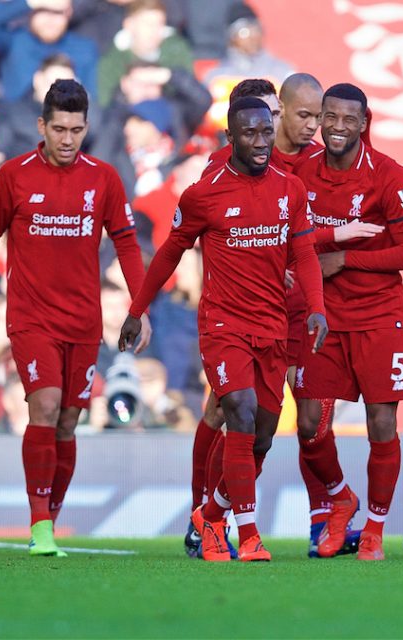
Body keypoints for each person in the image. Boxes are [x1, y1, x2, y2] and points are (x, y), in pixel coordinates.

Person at [0, 79, 150, 557]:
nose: (67, 139)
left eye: (76, 129)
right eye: (58, 128)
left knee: (68, 423)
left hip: (84, 321)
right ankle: (39, 525)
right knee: (47, 406)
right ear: (42, 125)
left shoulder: (104, 178)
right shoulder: (13, 176)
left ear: (86, 128)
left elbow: (126, 245)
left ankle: (49, 520)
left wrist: (138, 309)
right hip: (31, 317)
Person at [119, 96, 328, 562]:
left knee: (264, 435)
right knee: (240, 408)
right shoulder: (204, 193)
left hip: (273, 325)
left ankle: (211, 514)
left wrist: (316, 306)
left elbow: (307, 253)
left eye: (265, 133)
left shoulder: (289, 190)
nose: (260, 142)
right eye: (249, 134)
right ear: (230, 138)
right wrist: (137, 309)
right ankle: (249, 536)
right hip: (223, 323)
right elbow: (171, 252)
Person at [290, 82, 403, 561]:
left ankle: (375, 527)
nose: (338, 127)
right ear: (320, 120)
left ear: (365, 123)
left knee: (381, 423)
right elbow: (291, 238)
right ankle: (341, 495)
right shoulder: (302, 172)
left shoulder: (388, 176)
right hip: (322, 315)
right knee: (309, 424)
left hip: (378, 315)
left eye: (349, 119)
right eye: (330, 117)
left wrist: (344, 259)